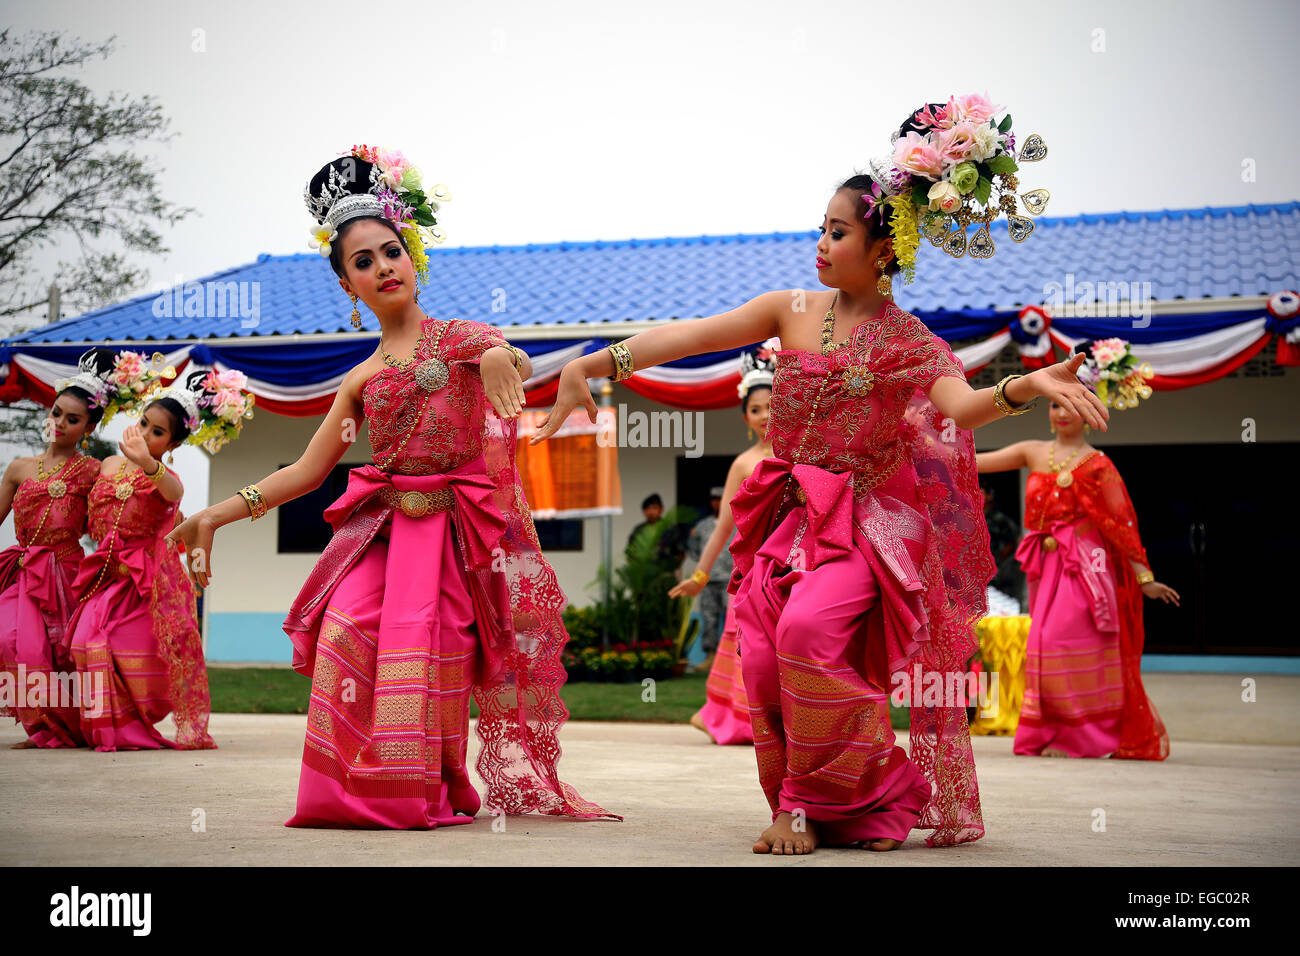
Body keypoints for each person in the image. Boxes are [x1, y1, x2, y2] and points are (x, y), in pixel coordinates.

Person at [535, 97, 1107, 854]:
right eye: (821, 228)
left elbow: (962, 411)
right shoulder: (793, 309)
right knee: (765, 662)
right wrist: (593, 363)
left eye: (837, 232)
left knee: (807, 631)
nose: (821, 242)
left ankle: (816, 805)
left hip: (869, 527)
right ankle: (855, 800)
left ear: (883, 249)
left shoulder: (911, 342)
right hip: (792, 518)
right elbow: (694, 335)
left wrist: (1025, 387)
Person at [167, 146, 615, 828]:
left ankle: (422, 790)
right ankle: (344, 790)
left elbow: (503, 352)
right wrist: (214, 516)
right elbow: (308, 471)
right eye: (363, 262)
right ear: (348, 284)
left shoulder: (460, 338)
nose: (382, 268)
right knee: (345, 632)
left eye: (390, 251)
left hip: (454, 544)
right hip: (380, 535)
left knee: (425, 660)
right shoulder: (359, 379)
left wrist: (499, 355)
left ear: (413, 256)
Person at [976, 338, 1177, 760]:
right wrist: (925, 440)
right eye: (1055, 405)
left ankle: (1088, 736)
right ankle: (1050, 733)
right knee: (1043, 646)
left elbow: (1123, 528)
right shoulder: (1032, 452)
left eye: (1070, 404)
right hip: (1043, 567)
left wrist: (1145, 579)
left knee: (1067, 642)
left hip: (1086, 567)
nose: (1061, 412)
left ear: (1087, 409)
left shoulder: (1099, 465)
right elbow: (972, 461)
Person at [67, 367, 228, 751]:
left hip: (147, 583)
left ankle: (133, 722)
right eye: (143, 422)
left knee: (131, 651)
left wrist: (147, 463)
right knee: (84, 643)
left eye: (158, 432)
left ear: (171, 443)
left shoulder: (163, 476)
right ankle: (106, 726)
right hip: (106, 574)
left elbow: (173, 494)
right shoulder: (106, 466)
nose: (145, 433)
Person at [0, 349, 110, 747]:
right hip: (22, 568)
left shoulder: (94, 472)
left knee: (61, 654)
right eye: (57, 413)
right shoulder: (18, 469)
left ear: (89, 428)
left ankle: (63, 727)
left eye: (73, 419)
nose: (60, 423)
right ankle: (41, 725)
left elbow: (109, 517)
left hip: (65, 571)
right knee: (10, 640)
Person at [670, 341, 778, 743]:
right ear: (745, 417)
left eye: (771, 406)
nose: (765, 415)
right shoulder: (743, 464)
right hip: (753, 571)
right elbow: (723, 527)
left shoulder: (802, 453)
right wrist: (700, 576)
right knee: (749, 649)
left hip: (796, 565)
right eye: (755, 410)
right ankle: (733, 718)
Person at [683, 485, 729, 671]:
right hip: (708, 579)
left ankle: (731, 659)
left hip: (730, 579)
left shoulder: (735, 522)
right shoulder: (703, 526)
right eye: (714, 499)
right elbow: (694, 551)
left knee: (731, 621)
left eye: (720, 499)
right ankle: (710, 657)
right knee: (709, 619)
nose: (717, 503)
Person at [981, 484, 1024, 603]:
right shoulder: (969, 518)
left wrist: (1001, 560)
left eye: (981, 493)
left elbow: (1015, 539)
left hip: (1000, 569)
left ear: (989, 496)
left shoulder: (999, 519)